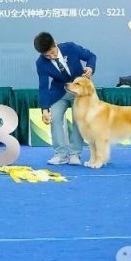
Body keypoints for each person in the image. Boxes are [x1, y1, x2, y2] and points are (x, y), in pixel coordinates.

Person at [34, 32, 97, 166]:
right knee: (55, 118)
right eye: (47, 56)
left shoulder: (71, 48)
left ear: (55, 43)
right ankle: (60, 154)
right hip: (59, 92)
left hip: (79, 92)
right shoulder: (40, 63)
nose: (52, 57)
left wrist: (90, 67)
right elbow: (43, 87)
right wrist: (44, 109)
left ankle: (75, 154)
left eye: (52, 52)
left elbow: (91, 56)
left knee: (78, 120)